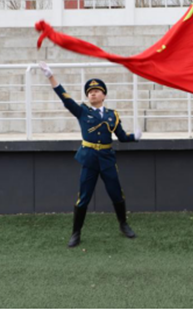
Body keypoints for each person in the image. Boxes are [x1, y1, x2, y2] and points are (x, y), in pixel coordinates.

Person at [39, 61, 142, 247]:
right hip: (89, 159)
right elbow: (65, 99)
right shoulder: (82, 111)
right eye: (89, 92)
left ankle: (123, 224)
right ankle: (76, 233)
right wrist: (51, 77)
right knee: (84, 196)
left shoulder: (112, 115)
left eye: (96, 91)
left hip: (107, 159)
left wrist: (134, 137)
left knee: (116, 194)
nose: (92, 93)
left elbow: (121, 136)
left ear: (104, 95)